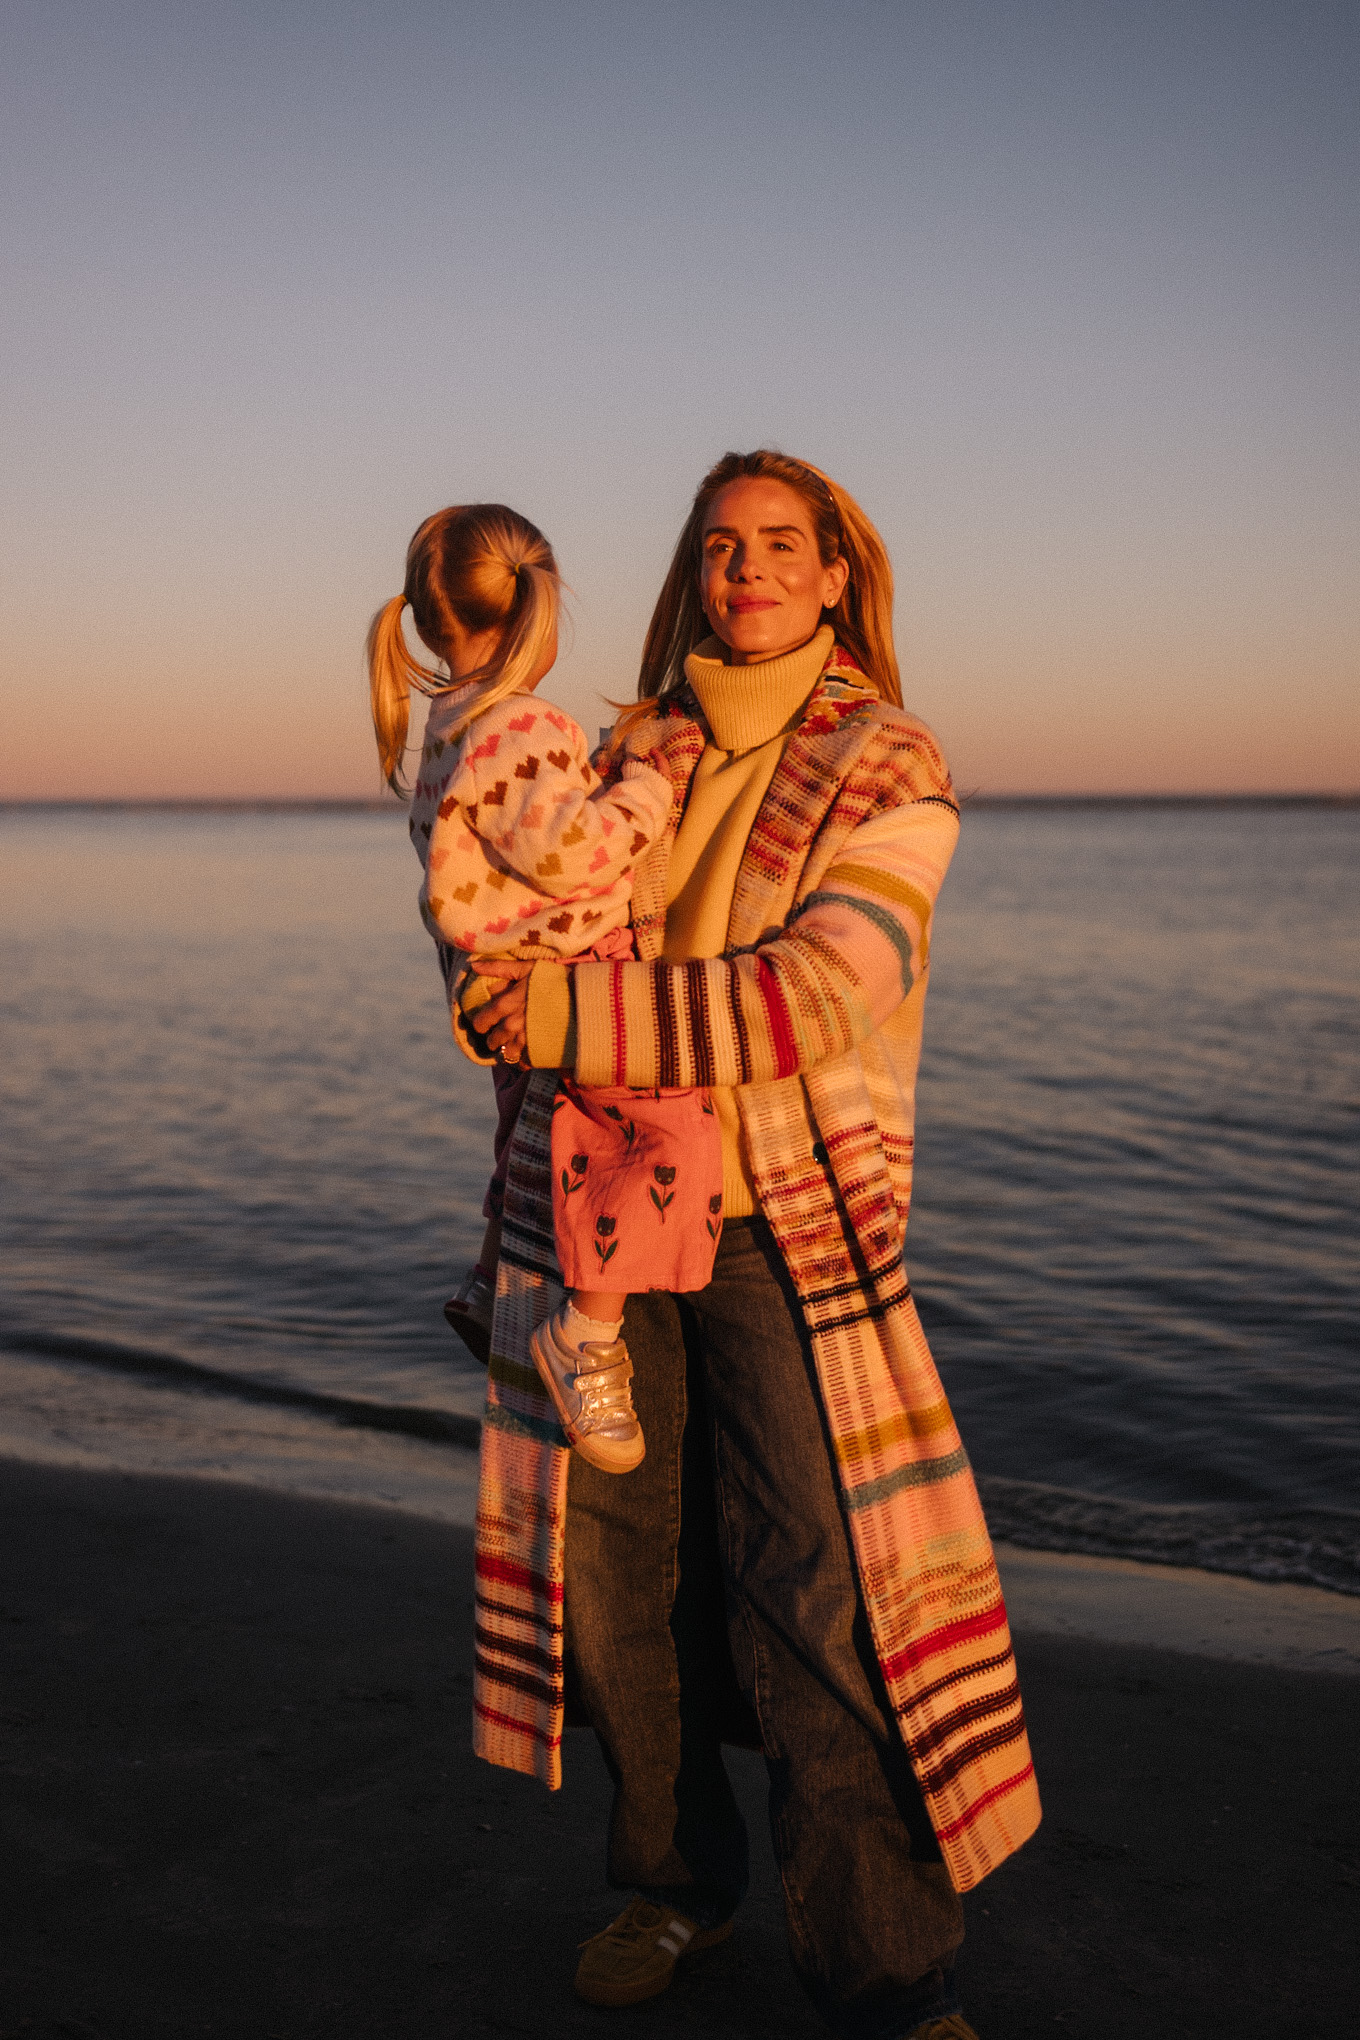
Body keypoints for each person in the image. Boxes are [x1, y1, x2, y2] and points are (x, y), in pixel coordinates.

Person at [465, 452, 1041, 2040]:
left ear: (837, 571)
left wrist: (553, 1008)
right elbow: (514, 917)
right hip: (602, 1214)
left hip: (782, 1223)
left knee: (814, 1582)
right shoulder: (623, 748)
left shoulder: (889, 763)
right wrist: (497, 965)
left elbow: (820, 992)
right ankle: (673, 1884)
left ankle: (888, 1969)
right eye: (720, 545)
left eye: (782, 544)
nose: (747, 569)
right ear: (692, 572)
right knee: (617, 1573)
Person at [366, 503, 724, 1473]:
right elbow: (571, 853)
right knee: (668, 1130)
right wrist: (644, 788)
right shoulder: (521, 724)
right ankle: (588, 1334)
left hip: (492, 984)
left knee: (523, 1136)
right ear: (536, 609)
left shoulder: (449, 721)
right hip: (570, 976)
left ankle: (489, 1284)